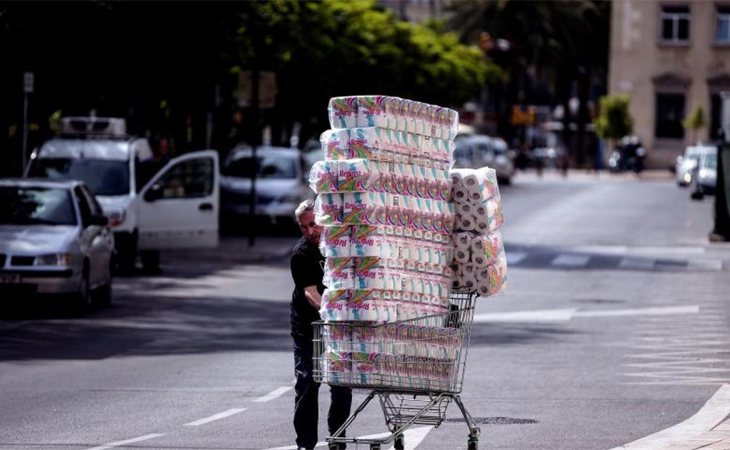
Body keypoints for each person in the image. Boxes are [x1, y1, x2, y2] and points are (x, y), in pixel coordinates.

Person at [290, 199, 352, 450]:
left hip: (336, 326)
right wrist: (331, 312)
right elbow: (310, 293)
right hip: (309, 325)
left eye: (313, 224)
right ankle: (305, 443)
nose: (310, 231)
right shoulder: (301, 253)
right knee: (307, 381)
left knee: (341, 383)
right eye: (304, 227)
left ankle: (337, 436)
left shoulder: (338, 244)